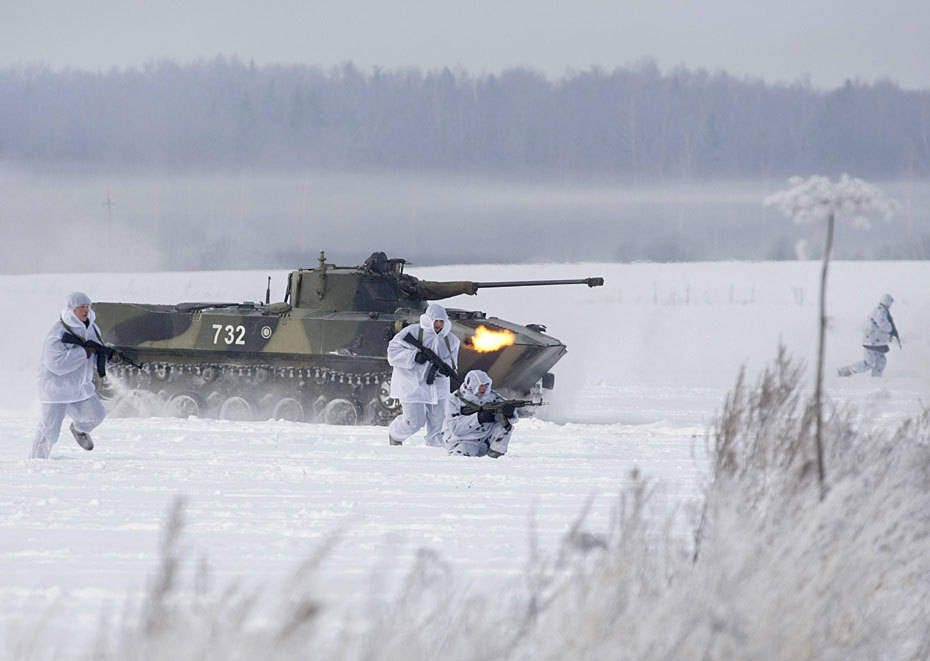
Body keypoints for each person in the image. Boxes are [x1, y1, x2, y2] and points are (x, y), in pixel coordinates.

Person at [30, 292, 113, 459]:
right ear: (71, 309)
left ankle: (79, 429)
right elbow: (56, 364)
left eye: (87, 307)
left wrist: (109, 357)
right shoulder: (57, 333)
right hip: (56, 389)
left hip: (80, 388)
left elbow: (96, 354)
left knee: (96, 415)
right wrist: (83, 352)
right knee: (49, 432)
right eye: (81, 307)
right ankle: (36, 462)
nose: (85, 310)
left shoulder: (92, 329)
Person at [386, 302, 460, 447]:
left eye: (441, 321)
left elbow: (452, 362)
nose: (438, 324)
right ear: (428, 320)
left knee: (438, 423)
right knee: (415, 421)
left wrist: (444, 369)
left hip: (438, 387)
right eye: (436, 321)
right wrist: (413, 356)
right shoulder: (412, 333)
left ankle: (435, 449)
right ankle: (395, 435)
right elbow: (392, 353)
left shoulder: (450, 339)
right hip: (413, 385)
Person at [441, 369, 518, 458]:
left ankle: (496, 455)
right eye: (481, 385)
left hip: (486, 439)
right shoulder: (455, 399)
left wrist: (509, 413)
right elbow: (455, 429)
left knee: (505, 427)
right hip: (464, 440)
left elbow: (514, 419)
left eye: (487, 385)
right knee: (461, 460)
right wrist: (478, 418)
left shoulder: (492, 396)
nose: (484, 388)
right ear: (471, 385)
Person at [838, 293, 900, 378]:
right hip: (872, 341)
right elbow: (883, 324)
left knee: (881, 361)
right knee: (868, 363)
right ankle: (846, 371)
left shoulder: (882, 311)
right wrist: (891, 329)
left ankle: (876, 379)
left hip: (877, 342)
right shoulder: (880, 311)